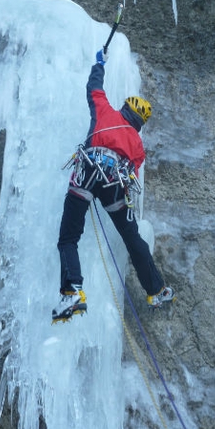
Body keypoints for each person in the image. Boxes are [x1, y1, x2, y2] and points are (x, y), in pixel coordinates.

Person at [52, 49, 174, 322]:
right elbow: (132, 175)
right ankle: (156, 290)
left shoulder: (105, 111)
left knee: (68, 238)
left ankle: (71, 292)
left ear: (124, 108)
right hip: (114, 186)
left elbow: (93, 87)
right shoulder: (139, 146)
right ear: (140, 123)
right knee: (132, 238)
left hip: (87, 174)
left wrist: (99, 63)